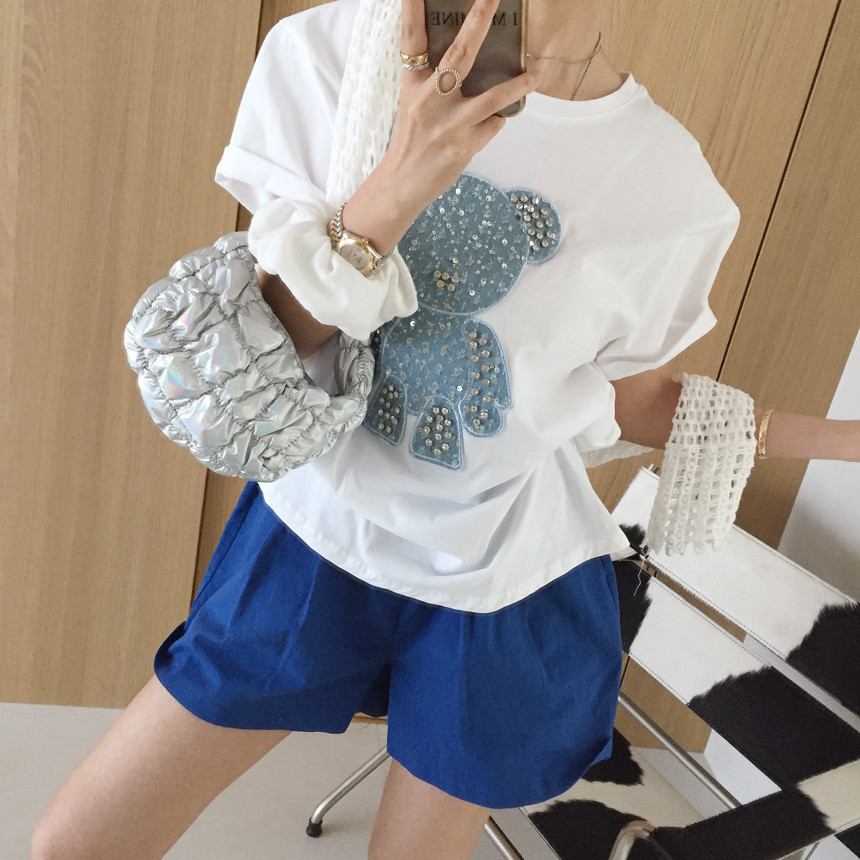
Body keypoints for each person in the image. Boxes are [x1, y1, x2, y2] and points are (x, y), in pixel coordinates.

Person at [32, 0, 860, 857]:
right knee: (78, 845)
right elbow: (274, 343)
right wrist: (396, 184)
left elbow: (623, 397)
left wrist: (841, 439)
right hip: (319, 531)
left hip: (504, 578)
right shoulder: (330, 55)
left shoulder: (672, 189)